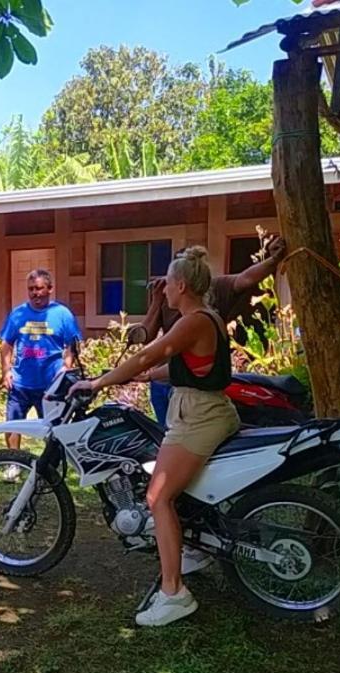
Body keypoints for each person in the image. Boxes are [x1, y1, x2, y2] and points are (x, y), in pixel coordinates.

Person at [69, 247, 239, 627]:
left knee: (157, 496)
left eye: (166, 283)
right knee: (179, 490)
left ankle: (174, 593)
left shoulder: (192, 320)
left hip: (198, 418)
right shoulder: (203, 318)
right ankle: (193, 550)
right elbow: (185, 365)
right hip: (205, 410)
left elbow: (151, 353)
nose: (161, 289)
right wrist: (144, 376)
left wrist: (98, 382)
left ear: (181, 285)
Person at [141, 235, 287, 427]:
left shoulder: (213, 294)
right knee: (167, 435)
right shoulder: (168, 297)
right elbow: (146, 336)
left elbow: (246, 278)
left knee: (183, 439)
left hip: (194, 386)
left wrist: (273, 259)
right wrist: (157, 300)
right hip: (165, 381)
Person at [0, 269, 82, 480]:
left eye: (39, 288)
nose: (35, 293)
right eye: (31, 289)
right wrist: (6, 372)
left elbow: (72, 344)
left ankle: (50, 467)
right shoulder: (18, 314)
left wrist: (66, 365)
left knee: (52, 430)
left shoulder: (62, 314)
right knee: (12, 423)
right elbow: (6, 345)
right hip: (21, 383)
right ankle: (13, 464)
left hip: (50, 386)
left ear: (50, 289)